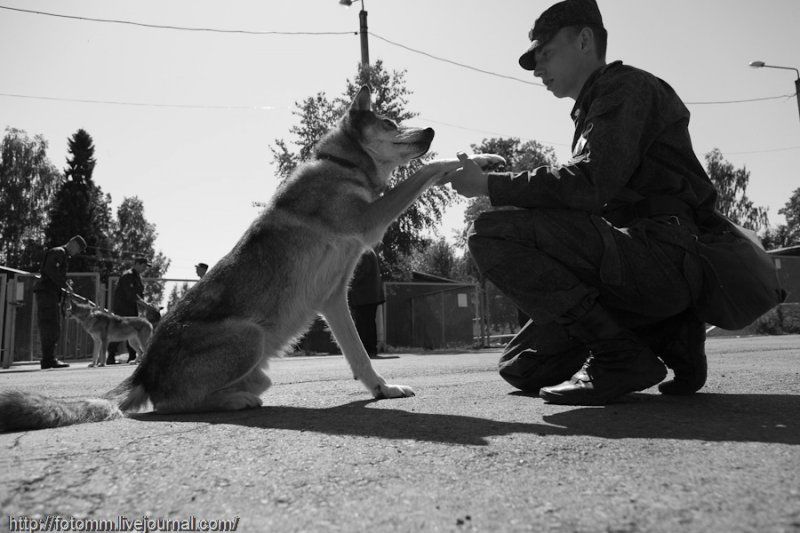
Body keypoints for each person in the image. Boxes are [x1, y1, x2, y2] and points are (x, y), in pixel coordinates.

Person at [444, 0, 722, 405]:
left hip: (663, 257)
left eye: (546, 53)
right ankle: (663, 331)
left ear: (585, 41)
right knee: (522, 366)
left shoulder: (627, 89)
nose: (538, 68)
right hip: (641, 259)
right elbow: (583, 195)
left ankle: (621, 352)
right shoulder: (599, 102)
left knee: (490, 231)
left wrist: (490, 184)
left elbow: (589, 184)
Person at [33, 235, 87, 369]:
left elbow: (55, 275)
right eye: (79, 249)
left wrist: (64, 287)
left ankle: (49, 359)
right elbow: (51, 271)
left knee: (53, 326)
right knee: (50, 326)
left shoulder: (62, 254)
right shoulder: (59, 252)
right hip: (47, 294)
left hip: (50, 294)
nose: (77, 252)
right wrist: (64, 285)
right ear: (73, 243)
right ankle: (48, 360)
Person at [107, 256, 149, 364]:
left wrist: (143, 306)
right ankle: (110, 357)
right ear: (136, 264)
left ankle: (133, 357)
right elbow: (131, 295)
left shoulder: (137, 277)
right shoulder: (128, 275)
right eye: (143, 266)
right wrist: (145, 304)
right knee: (118, 332)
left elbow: (140, 294)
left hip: (132, 309)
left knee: (131, 333)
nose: (145, 269)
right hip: (123, 309)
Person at [348, 249, 385, 359]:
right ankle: (369, 350)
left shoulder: (364, 251)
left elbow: (361, 272)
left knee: (364, 323)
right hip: (369, 295)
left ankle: (367, 350)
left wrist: (348, 281)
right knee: (367, 323)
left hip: (365, 295)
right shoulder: (367, 250)